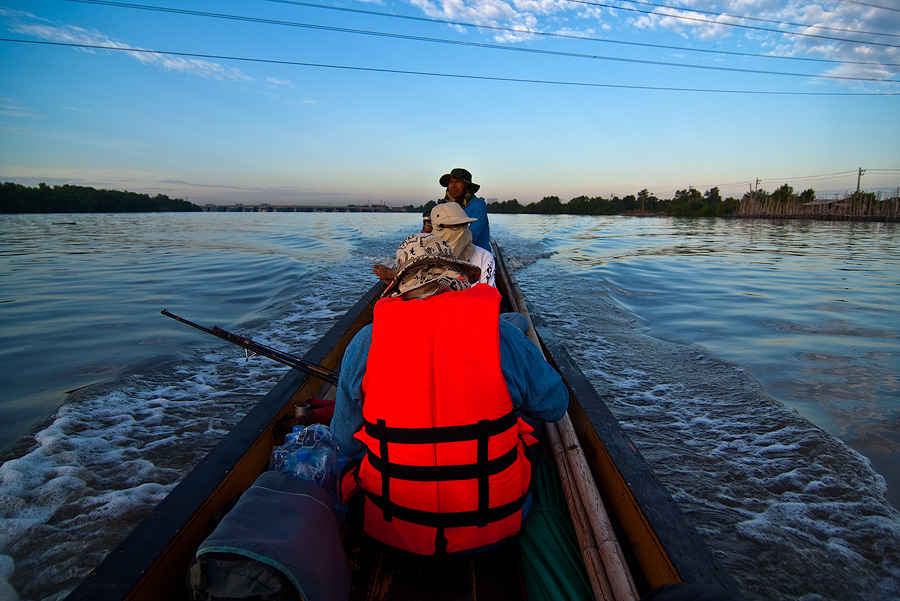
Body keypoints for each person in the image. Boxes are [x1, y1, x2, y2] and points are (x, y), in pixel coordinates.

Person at [332, 233, 568, 556]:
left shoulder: (363, 343)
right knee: (529, 417)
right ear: (455, 277)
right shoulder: (501, 334)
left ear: (401, 287)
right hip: (492, 529)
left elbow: (345, 442)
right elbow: (555, 404)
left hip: (394, 530)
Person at [430, 201, 495, 287]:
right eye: (455, 226)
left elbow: (488, 296)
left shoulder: (484, 257)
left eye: (465, 225)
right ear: (437, 229)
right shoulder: (423, 259)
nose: (462, 231)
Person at [439, 168, 490, 251]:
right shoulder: (444, 207)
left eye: (458, 182)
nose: (453, 185)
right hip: (451, 253)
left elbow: (471, 238)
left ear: (466, 186)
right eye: (451, 182)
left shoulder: (478, 205)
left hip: (477, 255)